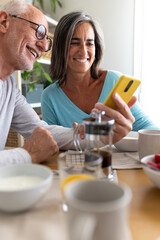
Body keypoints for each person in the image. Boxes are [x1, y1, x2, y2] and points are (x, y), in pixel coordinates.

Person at [41, 11, 158, 143]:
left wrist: (125, 132)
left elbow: (152, 129)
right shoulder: (50, 97)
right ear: (60, 47)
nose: (83, 52)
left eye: (90, 43)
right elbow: (50, 144)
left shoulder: (114, 81)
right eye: (75, 42)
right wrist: (75, 135)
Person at [0, 0, 80, 166]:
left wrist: (90, 134)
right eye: (39, 32)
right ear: (4, 22)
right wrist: (27, 154)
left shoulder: (9, 88)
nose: (44, 47)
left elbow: (41, 130)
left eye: (47, 40)